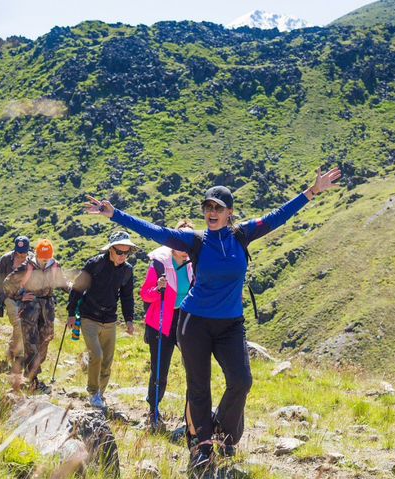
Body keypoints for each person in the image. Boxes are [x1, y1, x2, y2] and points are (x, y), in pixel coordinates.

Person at [85, 167, 342, 471]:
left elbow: (277, 216)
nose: (211, 212)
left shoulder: (242, 234)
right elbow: (155, 231)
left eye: (217, 208)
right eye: (207, 207)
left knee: (241, 381)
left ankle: (221, 433)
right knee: (199, 386)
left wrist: (311, 192)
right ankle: (202, 445)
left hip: (231, 324)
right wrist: (116, 214)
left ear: (229, 213)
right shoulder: (195, 241)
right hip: (194, 323)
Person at [67, 230, 137, 409]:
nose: (123, 256)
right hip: (89, 316)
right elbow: (77, 289)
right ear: (110, 250)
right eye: (119, 252)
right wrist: (70, 314)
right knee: (96, 354)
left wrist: (129, 320)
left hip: (110, 319)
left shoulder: (127, 271)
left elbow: (127, 297)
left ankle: (100, 393)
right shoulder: (95, 264)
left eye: (126, 252)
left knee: (107, 360)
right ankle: (92, 391)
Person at [140, 219, 195, 429]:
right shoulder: (159, 264)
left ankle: (192, 415)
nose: (185, 249)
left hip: (184, 323)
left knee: (194, 368)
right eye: (181, 243)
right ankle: (153, 411)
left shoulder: (194, 265)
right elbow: (145, 294)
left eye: (189, 243)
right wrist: (158, 289)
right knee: (160, 371)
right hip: (160, 324)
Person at [3, 239, 70, 393]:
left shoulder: (55, 266)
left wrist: (75, 292)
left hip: (47, 308)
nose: (45, 259)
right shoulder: (27, 266)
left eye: (47, 256)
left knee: (45, 339)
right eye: (42, 256)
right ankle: (32, 379)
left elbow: (63, 283)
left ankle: (32, 371)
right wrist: (19, 296)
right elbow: (7, 283)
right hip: (30, 308)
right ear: (37, 254)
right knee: (30, 341)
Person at [0, 236, 32, 366]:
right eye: (18, 251)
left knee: (23, 326)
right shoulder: (6, 259)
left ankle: (11, 353)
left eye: (23, 252)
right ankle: (17, 357)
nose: (21, 254)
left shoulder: (32, 260)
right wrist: (1, 298)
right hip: (9, 297)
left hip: (25, 297)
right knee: (18, 323)